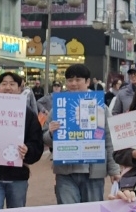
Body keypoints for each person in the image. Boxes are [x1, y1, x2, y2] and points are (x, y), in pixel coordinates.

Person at [44, 63, 119, 204]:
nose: (73, 84)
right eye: (70, 80)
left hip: (93, 171)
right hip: (65, 171)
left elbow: (109, 139)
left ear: (87, 82)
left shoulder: (100, 106)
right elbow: (45, 139)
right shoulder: (59, 107)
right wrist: (51, 133)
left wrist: (114, 169)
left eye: (78, 80)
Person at [0, 71, 44, 209]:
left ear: (20, 89)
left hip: (18, 176)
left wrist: (28, 150)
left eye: (12, 84)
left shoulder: (29, 115)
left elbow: (37, 143)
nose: (8, 87)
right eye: (4, 84)